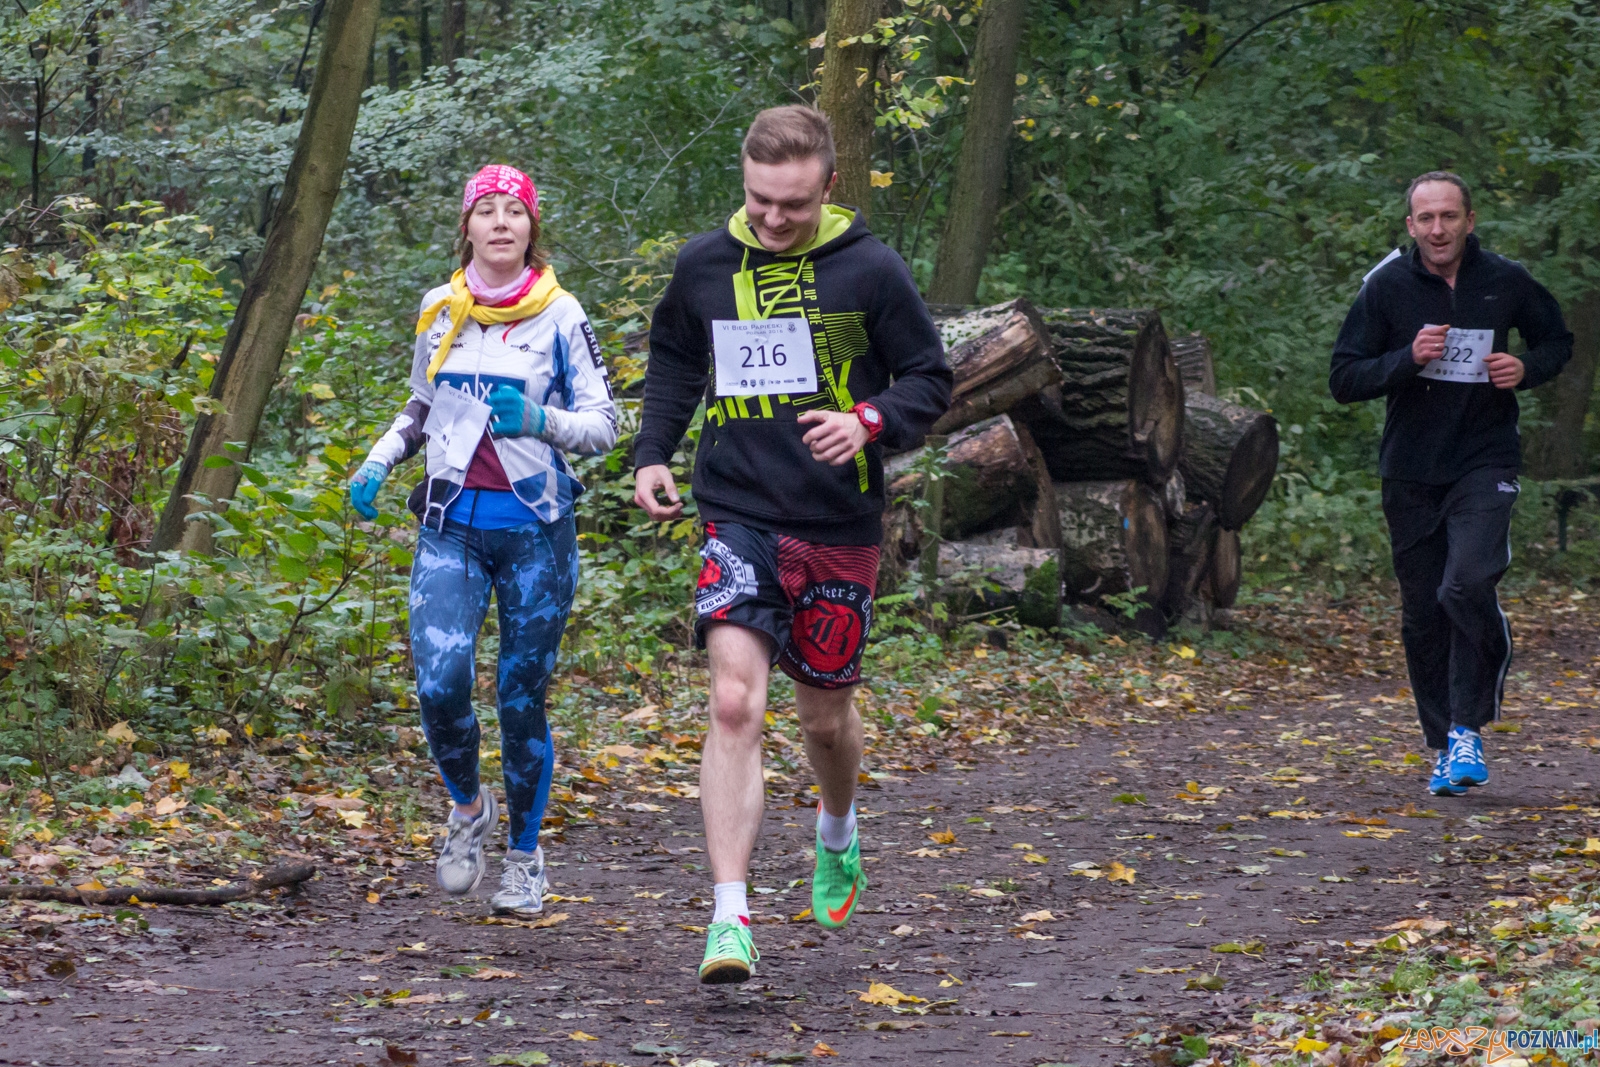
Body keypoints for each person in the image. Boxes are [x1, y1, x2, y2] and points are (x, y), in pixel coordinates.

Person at [633, 105, 952, 984]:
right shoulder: (705, 264)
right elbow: (673, 360)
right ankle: (729, 916)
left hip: (838, 524)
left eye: (793, 205)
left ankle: (838, 828)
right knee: (735, 703)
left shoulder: (872, 269)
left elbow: (932, 376)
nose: (773, 220)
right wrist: (652, 451)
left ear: (828, 187)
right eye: (760, 201)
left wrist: (869, 420)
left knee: (824, 716)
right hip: (737, 510)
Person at [348, 165, 618, 913]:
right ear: (465, 226)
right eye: (487, 210)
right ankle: (468, 810)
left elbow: (605, 421)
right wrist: (380, 457)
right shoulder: (441, 306)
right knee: (439, 683)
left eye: (515, 211)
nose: (501, 222)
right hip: (450, 525)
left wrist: (541, 421)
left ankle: (526, 859)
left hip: (536, 531)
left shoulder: (561, 314)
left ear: (532, 228)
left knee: (519, 697)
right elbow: (421, 401)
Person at [1330, 170, 1571, 798]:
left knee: (1466, 584)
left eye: (1449, 217)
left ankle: (1469, 727)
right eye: (1426, 218)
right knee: (1423, 614)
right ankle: (1443, 745)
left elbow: (1557, 341)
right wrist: (1405, 359)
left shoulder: (1507, 281)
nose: (1438, 229)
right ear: (1411, 226)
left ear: (1470, 220)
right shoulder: (1386, 288)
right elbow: (1344, 378)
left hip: (1485, 460)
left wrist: (1527, 367)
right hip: (1409, 470)